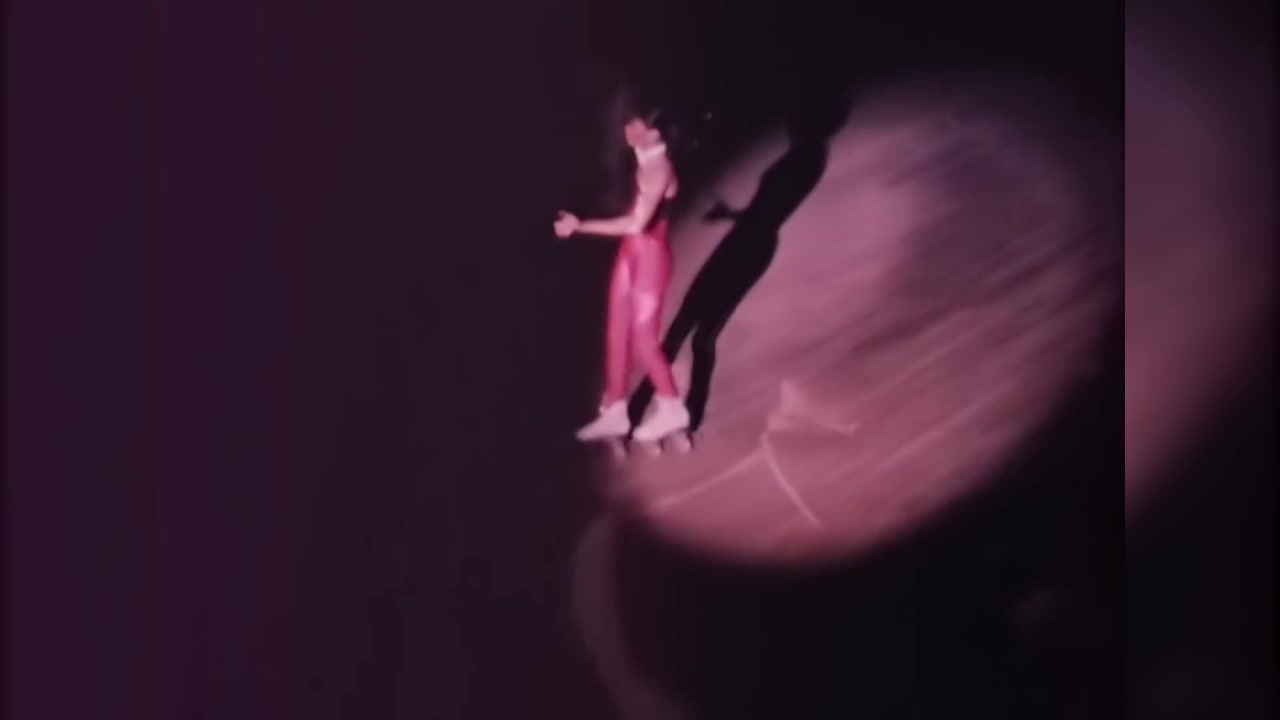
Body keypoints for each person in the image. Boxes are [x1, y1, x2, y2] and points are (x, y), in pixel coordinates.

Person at [554, 99, 690, 444]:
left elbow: (635, 223)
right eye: (628, 123)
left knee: (644, 338)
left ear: (655, 133)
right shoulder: (642, 157)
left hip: (651, 260)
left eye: (636, 124)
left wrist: (580, 227)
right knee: (617, 330)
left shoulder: (659, 168)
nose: (627, 130)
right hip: (631, 254)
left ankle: (673, 407)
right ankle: (615, 410)